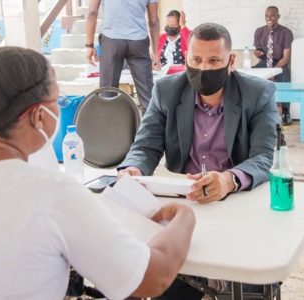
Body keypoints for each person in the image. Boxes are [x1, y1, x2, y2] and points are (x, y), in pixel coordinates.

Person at [0, 47, 196, 299]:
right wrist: (184, 217)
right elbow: (151, 279)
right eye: (56, 100)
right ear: (38, 115)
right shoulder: (49, 193)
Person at [118, 23, 279, 298]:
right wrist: (132, 168)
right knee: (164, 279)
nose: (204, 68)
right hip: (186, 203)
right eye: (196, 59)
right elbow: (145, 146)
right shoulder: (167, 90)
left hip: (236, 204)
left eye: (214, 60)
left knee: (245, 280)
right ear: (186, 57)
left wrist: (228, 180)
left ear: (231, 61)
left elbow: (263, 156)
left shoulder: (258, 93)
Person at [86, 0, 160, 113]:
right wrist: (155, 52)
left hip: (111, 40)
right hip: (138, 41)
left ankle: (111, 129)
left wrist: (89, 45)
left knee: (107, 95)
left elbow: (92, 12)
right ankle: (151, 130)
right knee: (147, 97)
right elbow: (153, 21)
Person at [253, 6, 294, 125]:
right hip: (264, 62)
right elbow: (259, 53)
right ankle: (255, 111)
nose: (269, 18)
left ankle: (285, 112)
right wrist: (257, 53)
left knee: (285, 74)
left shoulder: (286, 32)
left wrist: (273, 72)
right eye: (266, 15)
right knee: (250, 76)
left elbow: (286, 58)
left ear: (278, 16)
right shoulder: (259, 31)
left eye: (272, 15)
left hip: (279, 63)